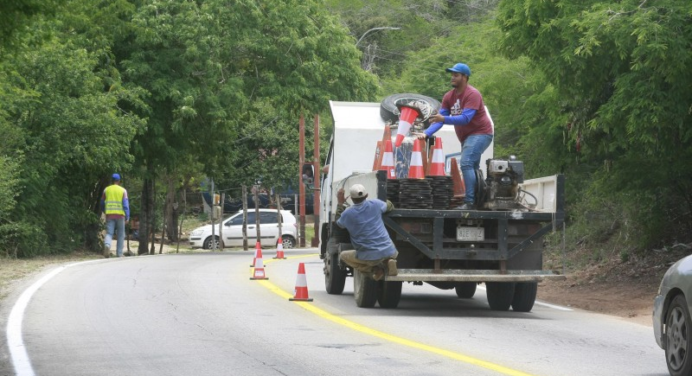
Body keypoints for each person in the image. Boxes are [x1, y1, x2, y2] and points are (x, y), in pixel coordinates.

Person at [418, 63, 494, 210]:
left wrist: (443, 119)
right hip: (466, 137)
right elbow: (440, 119)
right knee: (472, 167)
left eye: (456, 75)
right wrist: (426, 133)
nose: (452, 77)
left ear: (465, 77)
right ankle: (479, 201)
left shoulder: (473, 94)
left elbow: (466, 118)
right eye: (452, 75)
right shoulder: (448, 96)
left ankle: (470, 202)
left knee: (465, 164)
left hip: (481, 133)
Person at [336, 184, 398, 281]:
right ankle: (388, 261)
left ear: (351, 198)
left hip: (369, 257)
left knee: (343, 256)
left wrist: (340, 203)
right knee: (386, 245)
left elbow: (339, 223)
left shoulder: (348, 214)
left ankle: (375, 269)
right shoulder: (376, 204)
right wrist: (386, 200)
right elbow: (390, 206)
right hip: (390, 251)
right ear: (367, 195)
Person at [101, 173, 130, 258]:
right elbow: (125, 204)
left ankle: (107, 245)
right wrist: (127, 216)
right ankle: (119, 253)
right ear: (119, 181)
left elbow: (102, 202)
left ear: (112, 180)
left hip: (110, 214)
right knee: (121, 234)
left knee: (109, 233)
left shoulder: (106, 190)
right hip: (120, 216)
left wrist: (105, 211)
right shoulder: (123, 190)